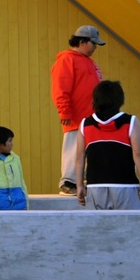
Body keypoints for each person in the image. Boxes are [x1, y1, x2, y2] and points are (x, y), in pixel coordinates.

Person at [75, 80, 140, 210]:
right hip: (126, 186)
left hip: (95, 187)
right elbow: (138, 154)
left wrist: (79, 185)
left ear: (96, 100)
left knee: (100, 229)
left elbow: (80, 157)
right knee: (133, 228)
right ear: (120, 100)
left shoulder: (85, 124)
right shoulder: (130, 121)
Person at [51, 25, 105, 196]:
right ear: (82, 42)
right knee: (73, 148)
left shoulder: (88, 61)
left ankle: (81, 181)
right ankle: (68, 181)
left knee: (88, 149)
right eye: (93, 44)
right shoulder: (67, 60)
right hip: (76, 115)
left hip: (91, 116)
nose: (95, 47)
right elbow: (60, 88)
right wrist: (65, 111)